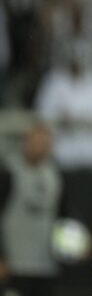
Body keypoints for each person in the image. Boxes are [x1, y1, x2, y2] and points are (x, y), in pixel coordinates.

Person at [0, 124, 64, 296]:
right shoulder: (8, 171)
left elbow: (62, 214)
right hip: (14, 264)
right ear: (25, 142)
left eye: (45, 143)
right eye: (37, 142)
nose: (41, 148)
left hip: (46, 264)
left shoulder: (54, 174)